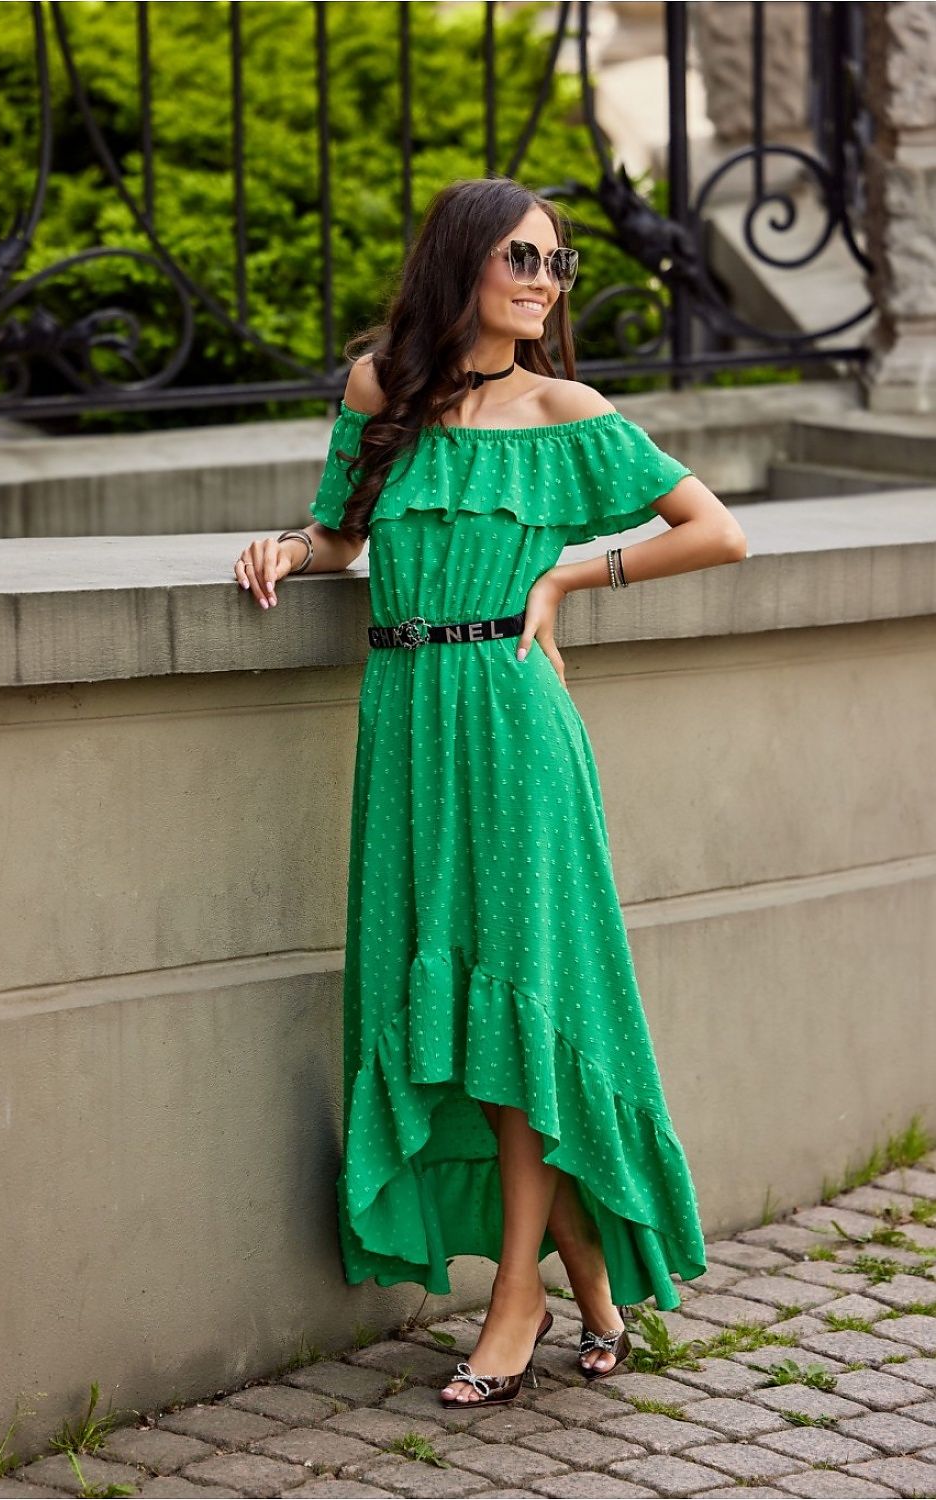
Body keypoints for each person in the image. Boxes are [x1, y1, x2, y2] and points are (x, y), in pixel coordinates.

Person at [234, 177, 747, 1407]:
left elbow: (716, 529)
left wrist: (572, 578)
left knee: (518, 1005)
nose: (541, 279)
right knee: (459, 1002)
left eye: (557, 264)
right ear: (461, 259)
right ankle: (596, 1294)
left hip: (513, 724)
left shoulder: (565, 409)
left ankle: (513, 1302)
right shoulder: (380, 391)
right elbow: (347, 533)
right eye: (520, 255)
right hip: (405, 721)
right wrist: (291, 550)